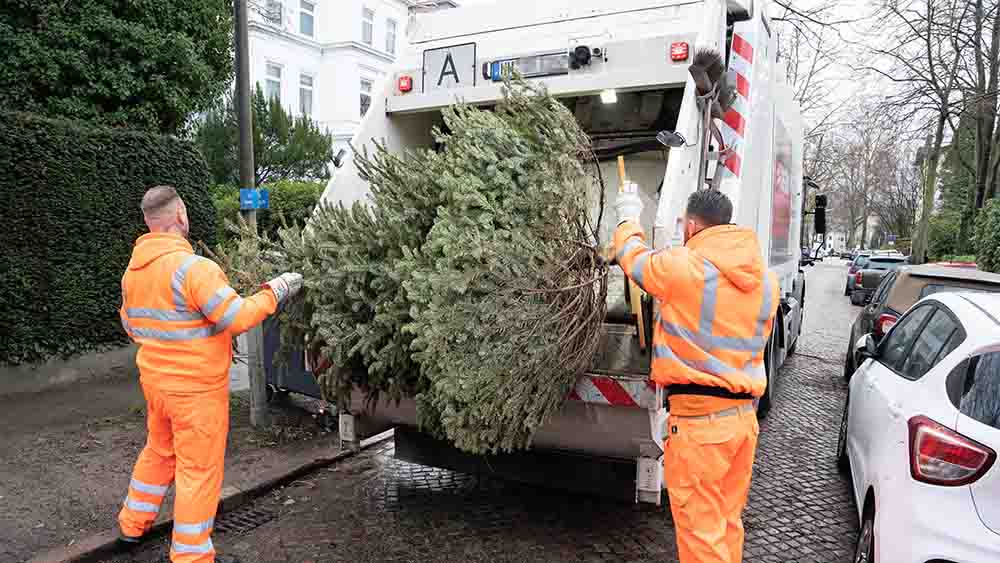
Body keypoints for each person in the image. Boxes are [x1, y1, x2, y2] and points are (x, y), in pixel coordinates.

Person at [116, 186, 302, 563]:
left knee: (159, 451)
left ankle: (131, 526)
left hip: (157, 386)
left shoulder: (132, 273)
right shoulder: (194, 269)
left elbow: (132, 327)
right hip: (196, 392)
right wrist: (275, 290)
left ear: (148, 224)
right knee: (198, 471)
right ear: (181, 216)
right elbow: (237, 318)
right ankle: (191, 555)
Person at [613, 186, 778, 563]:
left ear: (689, 226)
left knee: (701, 538)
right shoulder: (766, 281)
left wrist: (627, 218)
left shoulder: (685, 268)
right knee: (725, 522)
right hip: (741, 423)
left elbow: (634, 260)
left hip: (700, 426)